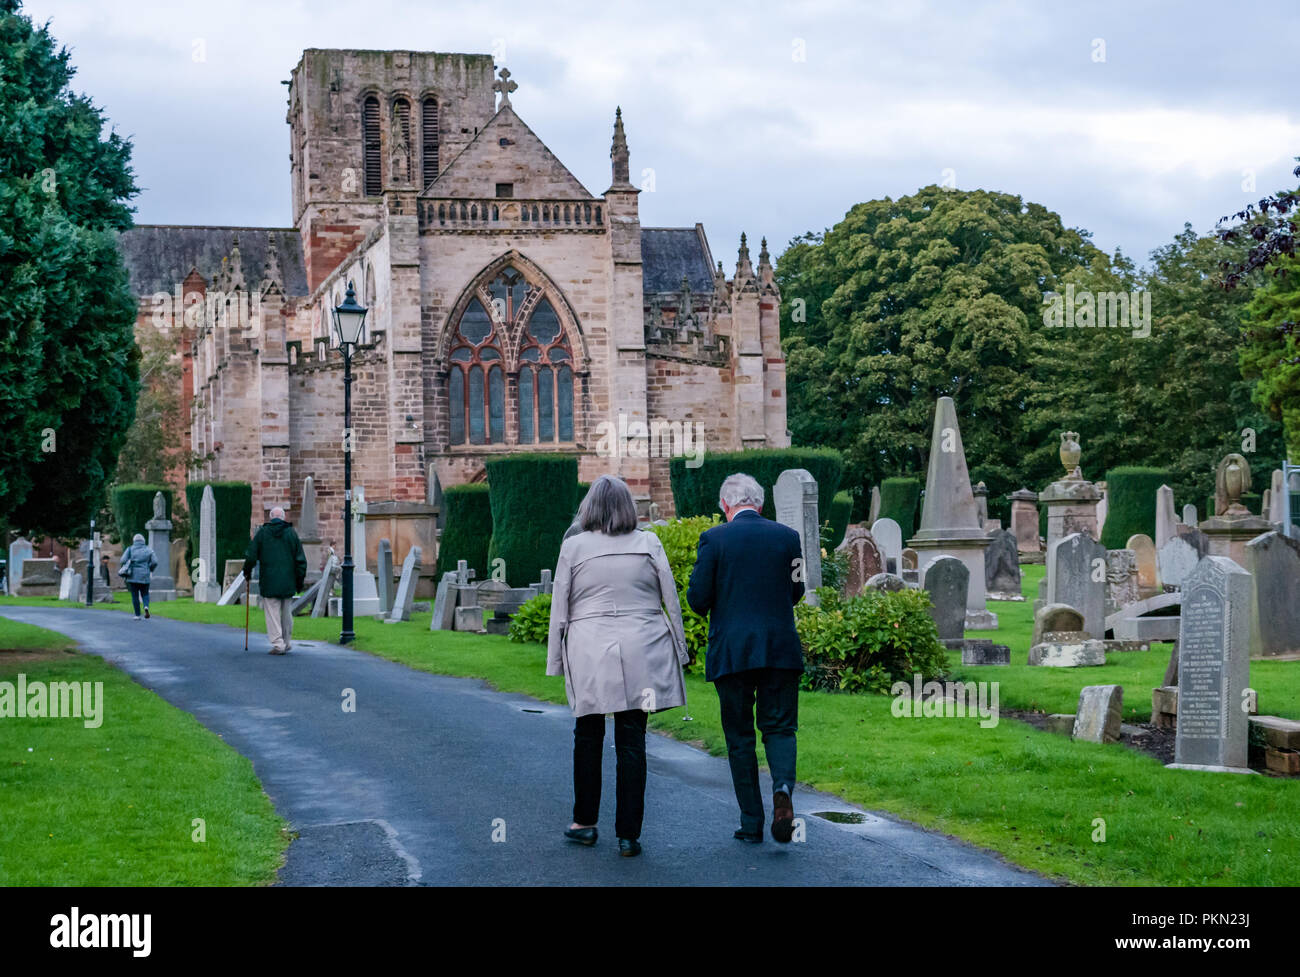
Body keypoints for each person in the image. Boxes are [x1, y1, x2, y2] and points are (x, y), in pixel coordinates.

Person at [546, 475, 690, 857]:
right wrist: (681, 649)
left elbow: (560, 608)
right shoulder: (649, 542)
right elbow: (670, 600)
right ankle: (629, 834)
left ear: (589, 507)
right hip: (643, 645)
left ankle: (585, 822)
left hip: (590, 647)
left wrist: (556, 660)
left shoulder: (573, 547)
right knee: (632, 740)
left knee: (588, 734)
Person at [687, 473, 805, 844]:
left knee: (739, 736)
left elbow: (698, 597)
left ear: (725, 505)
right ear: (761, 503)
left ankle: (751, 822)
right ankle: (782, 788)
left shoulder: (714, 539)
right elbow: (797, 590)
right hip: (780, 648)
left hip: (733, 651)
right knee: (780, 728)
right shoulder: (788, 538)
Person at [242, 506, 307, 656]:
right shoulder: (291, 534)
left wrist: (247, 571)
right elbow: (300, 560)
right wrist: (299, 581)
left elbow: (251, 555)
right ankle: (287, 642)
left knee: (272, 613)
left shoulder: (263, 533)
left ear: (271, 518)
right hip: (288, 580)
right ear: (283, 517)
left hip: (269, 580)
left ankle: (278, 644)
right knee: (286, 613)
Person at [118, 533, 158, 620]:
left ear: (134, 541)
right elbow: (155, 562)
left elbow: (123, 560)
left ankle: (137, 615)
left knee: (135, 595)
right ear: (143, 541)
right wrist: (150, 568)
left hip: (133, 575)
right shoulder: (149, 550)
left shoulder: (130, 549)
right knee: (145, 593)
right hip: (145, 575)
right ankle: (146, 606)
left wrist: (130, 561)